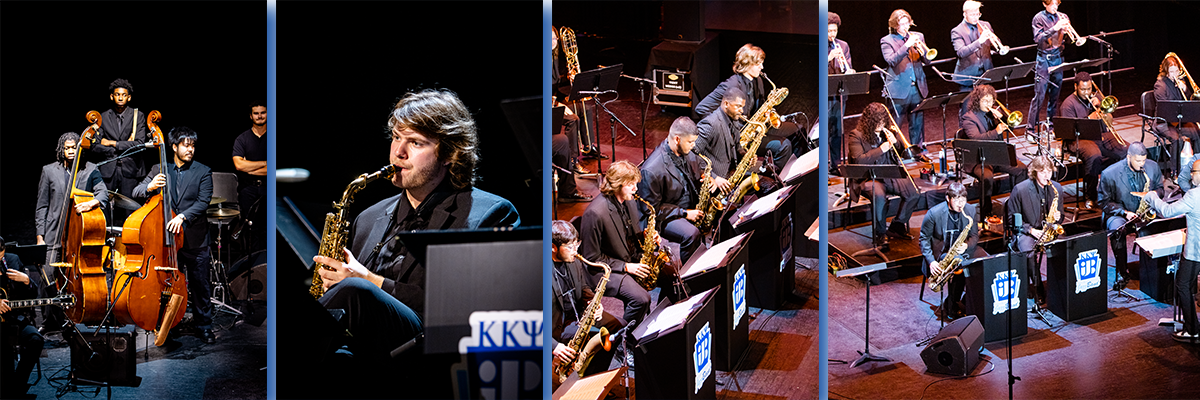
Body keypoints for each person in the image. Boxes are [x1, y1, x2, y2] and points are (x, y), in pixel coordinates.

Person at [311, 89, 519, 364]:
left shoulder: (489, 214)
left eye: (416, 143)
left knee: (357, 291)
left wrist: (369, 280)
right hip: (365, 354)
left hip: (434, 354)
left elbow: (469, 308)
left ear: (450, 153)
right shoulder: (369, 217)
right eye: (396, 137)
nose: (398, 152)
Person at [133, 126, 216, 344]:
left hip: (195, 238)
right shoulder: (159, 168)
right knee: (167, 285)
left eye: (193, 146)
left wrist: (183, 216)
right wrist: (150, 186)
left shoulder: (203, 171)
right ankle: (169, 324)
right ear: (174, 147)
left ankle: (204, 326)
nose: (190, 150)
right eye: (186, 145)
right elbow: (136, 191)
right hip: (167, 242)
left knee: (200, 285)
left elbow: (203, 201)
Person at [35, 132, 109, 332]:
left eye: (74, 148)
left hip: (78, 236)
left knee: (74, 279)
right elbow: (42, 206)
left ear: (80, 148)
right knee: (47, 276)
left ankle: (75, 317)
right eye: (67, 148)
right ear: (61, 149)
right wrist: (40, 236)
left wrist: (91, 203)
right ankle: (49, 321)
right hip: (53, 234)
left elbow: (103, 192)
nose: (70, 151)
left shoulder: (90, 169)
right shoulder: (49, 171)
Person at [696, 43, 795, 169]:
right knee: (784, 145)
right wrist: (725, 131)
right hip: (740, 137)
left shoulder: (758, 80)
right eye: (758, 64)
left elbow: (759, 105)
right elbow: (701, 108)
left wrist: (767, 113)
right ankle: (774, 178)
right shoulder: (731, 85)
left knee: (796, 130)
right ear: (748, 64)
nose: (762, 67)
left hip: (754, 128)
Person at [580, 160, 654, 327]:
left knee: (670, 276)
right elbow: (591, 258)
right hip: (604, 270)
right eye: (631, 184)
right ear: (618, 184)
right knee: (641, 299)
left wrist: (647, 237)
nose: (636, 189)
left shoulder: (629, 200)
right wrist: (625, 267)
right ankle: (623, 337)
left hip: (630, 257)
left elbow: (631, 235)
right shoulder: (595, 213)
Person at [1140, 158, 1200, 343]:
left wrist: (1152, 197)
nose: (1191, 176)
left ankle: (1193, 330)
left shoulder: (1194, 195)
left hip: (1196, 252)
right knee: (1188, 285)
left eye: (1193, 172)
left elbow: (1167, 211)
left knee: (1183, 285)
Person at [551, 220, 621, 377]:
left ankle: (592, 375)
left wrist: (593, 303)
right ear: (553, 247)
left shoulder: (573, 260)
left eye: (577, 244)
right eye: (570, 247)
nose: (576, 251)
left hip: (577, 313)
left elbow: (583, 286)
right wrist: (554, 346)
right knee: (596, 336)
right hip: (555, 327)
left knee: (617, 326)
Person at [847, 102, 919, 252]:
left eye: (882, 121)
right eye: (877, 122)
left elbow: (902, 154)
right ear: (869, 121)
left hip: (889, 174)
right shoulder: (856, 135)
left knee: (913, 192)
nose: (880, 125)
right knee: (879, 196)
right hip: (867, 178)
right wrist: (882, 148)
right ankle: (880, 234)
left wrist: (896, 142)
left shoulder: (887, 132)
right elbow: (859, 161)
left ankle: (897, 226)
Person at [639, 117, 706, 265]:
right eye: (690, 142)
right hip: (666, 216)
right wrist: (685, 213)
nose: (694, 145)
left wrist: (707, 178)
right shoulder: (652, 170)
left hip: (687, 204)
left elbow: (699, 169)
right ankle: (689, 273)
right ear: (677, 139)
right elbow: (651, 210)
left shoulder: (687, 152)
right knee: (691, 234)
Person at [1098, 142, 1163, 291]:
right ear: (1129, 157)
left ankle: (1155, 270)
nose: (1142, 164)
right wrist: (1125, 213)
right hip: (1120, 213)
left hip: (1145, 212)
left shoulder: (1152, 167)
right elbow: (1104, 202)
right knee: (1117, 230)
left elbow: (1160, 189)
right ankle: (1122, 272)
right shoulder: (1109, 173)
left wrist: (1153, 194)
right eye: (1138, 161)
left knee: (1163, 224)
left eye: (1144, 160)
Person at [1060, 71, 1129, 207]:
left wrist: (1101, 108)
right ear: (1075, 87)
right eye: (1083, 89)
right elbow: (1069, 132)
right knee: (1094, 155)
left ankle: (1118, 189)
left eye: (1089, 89)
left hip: (1100, 135)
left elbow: (1109, 123)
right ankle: (1090, 196)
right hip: (1078, 139)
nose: (1087, 92)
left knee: (1125, 149)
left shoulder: (1096, 97)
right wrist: (1089, 118)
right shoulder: (1068, 104)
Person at [960, 84, 1029, 218]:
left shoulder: (993, 114)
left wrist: (1003, 118)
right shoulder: (969, 118)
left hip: (996, 155)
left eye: (991, 100)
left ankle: (1016, 205)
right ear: (977, 101)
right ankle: (986, 213)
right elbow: (976, 139)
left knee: (1022, 169)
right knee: (987, 177)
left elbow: (1010, 128)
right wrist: (996, 131)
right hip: (979, 159)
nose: (989, 104)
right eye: (985, 101)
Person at [1006, 156, 1064, 310]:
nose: (1047, 175)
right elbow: (1012, 220)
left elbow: (1061, 216)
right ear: (1034, 172)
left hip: (1048, 230)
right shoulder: (1020, 189)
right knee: (1029, 251)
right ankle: (1038, 288)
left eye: (1049, 171)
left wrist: (1058, 217)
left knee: (1066, 246)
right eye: (1042, 172)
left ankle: (1061, 286)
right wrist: (1032, 230)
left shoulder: (1056, 188)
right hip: (1027, 232)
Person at [90, 78, 149, 225]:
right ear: (112, 96)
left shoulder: (138, 116)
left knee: (130, 210)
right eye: (117, 94)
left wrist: (112, 143)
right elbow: (95, 146)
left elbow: (140, 144)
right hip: (108, 170)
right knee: (104, 209)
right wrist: (124, 146)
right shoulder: (103, 117)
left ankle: (129, 239)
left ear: (129, 97)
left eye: (124, 95)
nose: (120, 98)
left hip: (130, 169)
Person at [919, 182, 981, 320]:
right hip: (940, 254)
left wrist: (966, 245)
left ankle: (966, 301)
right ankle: (951, 304)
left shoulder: (970, 210)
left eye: (963, 199)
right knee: (959, 266)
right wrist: (931, 262)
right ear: (948, 198)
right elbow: (924, 239)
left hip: (963, 251)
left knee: (982, 264)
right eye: (957, 200)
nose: (961, 204)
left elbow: (974, 236)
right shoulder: (934, 213)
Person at [880, 9, 930, 156]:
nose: (905, 27)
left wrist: (923, 52)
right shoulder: (887, 40)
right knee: (895, 124)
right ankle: (893, 153)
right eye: (902, 24)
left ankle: (917, 152)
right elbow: (891, 60)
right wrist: (907, 45)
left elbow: (928, 61)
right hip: (898, 88)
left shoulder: (918, 36)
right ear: (895, 25)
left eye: (907, 23)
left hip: (918, 87)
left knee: (917, 123)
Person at [0, 238, 45, 396]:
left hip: (14, 319)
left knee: (35, 340)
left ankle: (17, 386)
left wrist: (26, 281)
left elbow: (31, 295)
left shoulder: (12, 260)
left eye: (1, 256)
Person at [1027, 0, 1072, 127]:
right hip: (1044, 59)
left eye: (1057, 4)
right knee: (1040, 96)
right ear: (1044, 4)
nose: (1055, 7)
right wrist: (1055, 28)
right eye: (1052, 4)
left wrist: (1067, 33)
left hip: (1058, 58)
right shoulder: (1038, 18)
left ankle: (1051, 124)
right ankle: (1031, 128)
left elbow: (1069, 41)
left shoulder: (1063, 16)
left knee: (1055, 95)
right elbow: (1038, 38)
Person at [1152, 54, 1200, 172]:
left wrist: (1185, 89)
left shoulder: (1180, 82)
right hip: (1164, 122)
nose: (1175, 74)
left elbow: (1189, 100)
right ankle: (1175, 171)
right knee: (1177, 139)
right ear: (1166, 72)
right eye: (1171, 72)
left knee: (1196, 132)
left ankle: (1197, 165)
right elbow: (1165, 107)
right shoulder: (1160, 85)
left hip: (1179, 119)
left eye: (1177, 71)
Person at [232, 100, 269, 252]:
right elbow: (239, 165)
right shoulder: (242, 139)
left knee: (267, 228)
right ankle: (253, 262)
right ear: (250, 116)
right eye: (256, 113)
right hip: (248, 189)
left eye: (263, 113)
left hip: (269, 188)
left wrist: (249, 167)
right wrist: (265, 163)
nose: (259, 116)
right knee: (250, 228)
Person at [951, 1, 1004, 98]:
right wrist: (979, 41)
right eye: (972, 15)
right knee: (968, 106)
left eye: (978, 14)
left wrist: (995, 40)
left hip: (986, 75)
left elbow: (995, 45)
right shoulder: (957, 31)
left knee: (987, 104)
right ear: (964, 14)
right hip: (967, 77)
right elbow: (961, 52)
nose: (976, 17)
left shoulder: (986, 25)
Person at [695, 87, 743, 188]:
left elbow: (736, 145)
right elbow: (692, 154)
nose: (742, 111)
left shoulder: (734, 119)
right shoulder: (710, 124)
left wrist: (743, 153)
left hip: (731, 171)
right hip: (716, 181)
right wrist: (714, 177)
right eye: (738, 106)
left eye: (742, 107)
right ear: (726, 104)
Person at [828, 12, 854, 173]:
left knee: (837, 131)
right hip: (823, 94)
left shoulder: (843, 45)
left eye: (834, 30)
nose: (832, 34)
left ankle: (836, 164)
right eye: (829, 31)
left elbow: (848, 64)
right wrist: (828, 57)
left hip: (839, 94)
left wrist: (849, 71)